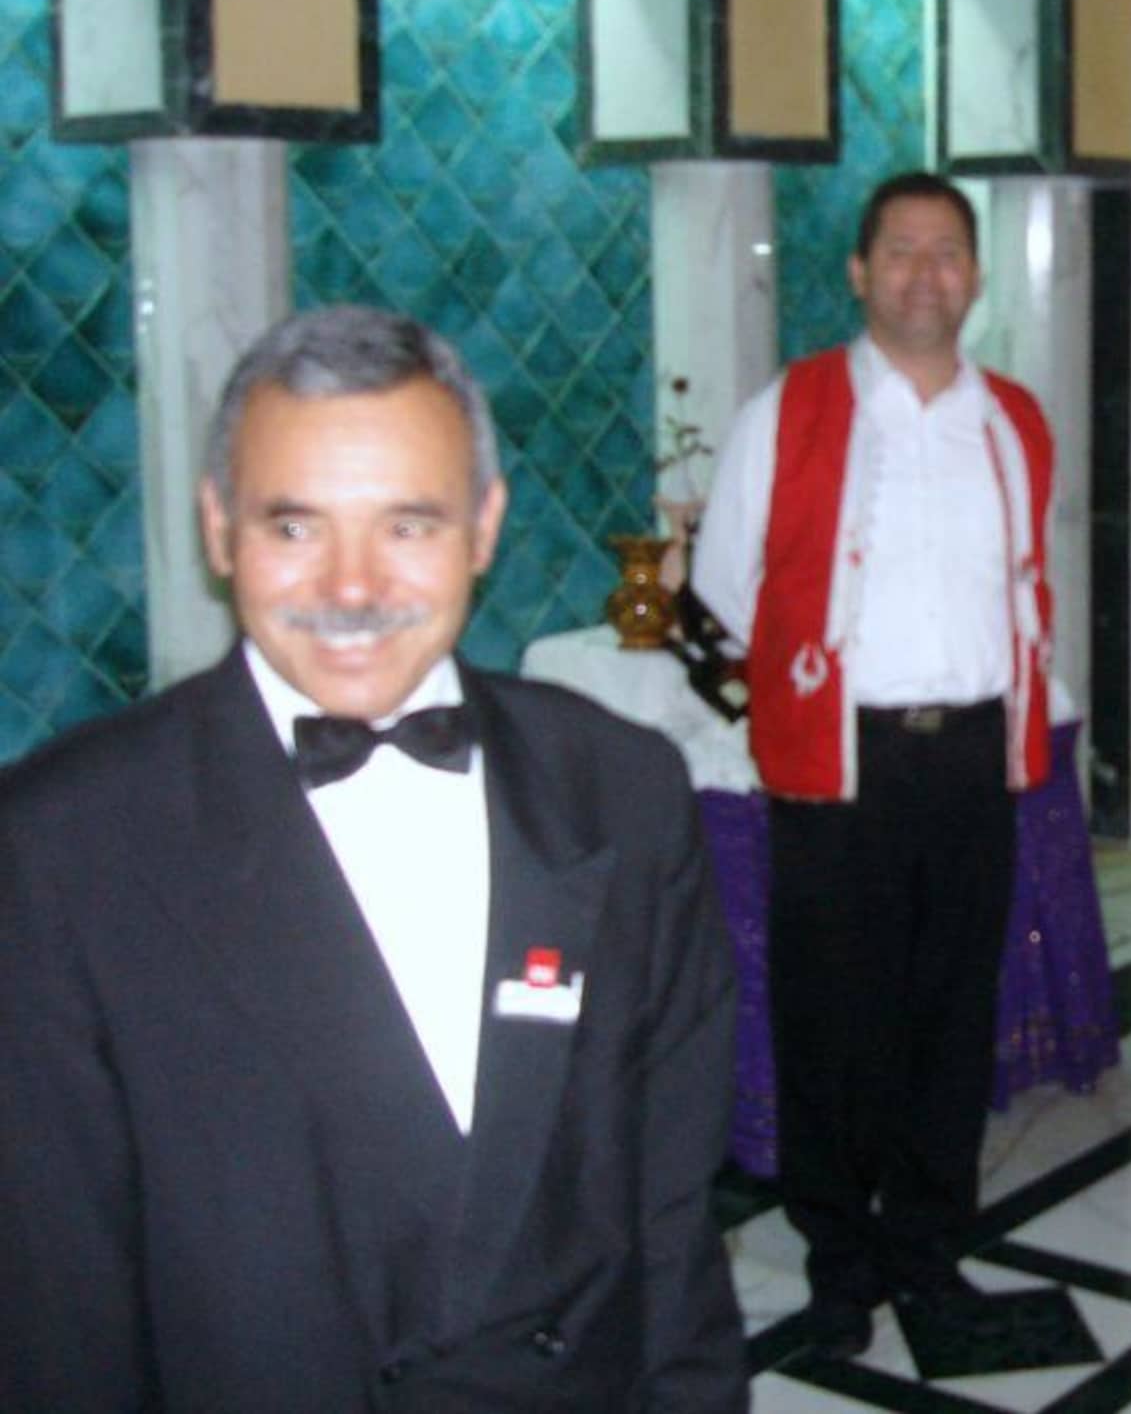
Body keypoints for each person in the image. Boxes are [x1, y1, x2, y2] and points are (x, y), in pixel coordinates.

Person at [0, 305, 747, 1410]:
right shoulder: (64, 844)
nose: (352, 588)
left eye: (408, 525)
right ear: (219, 529)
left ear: (484, 527)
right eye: (295, 527)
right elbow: (58, 1310)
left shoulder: (622, 790)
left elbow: (673, 1211)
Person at [693, 171, 1055, 1358]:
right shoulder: (790, 409)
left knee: (952, 1019)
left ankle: (930, 1250)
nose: (924, 274)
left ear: (977, 277)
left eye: (947, 252)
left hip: (972, 760)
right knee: (833, 1025)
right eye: (900, 251)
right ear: (858, 272)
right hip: (842, 765)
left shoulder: (1014, 421)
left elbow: (1024, 587)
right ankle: (840, 1266)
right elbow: (728, 585)